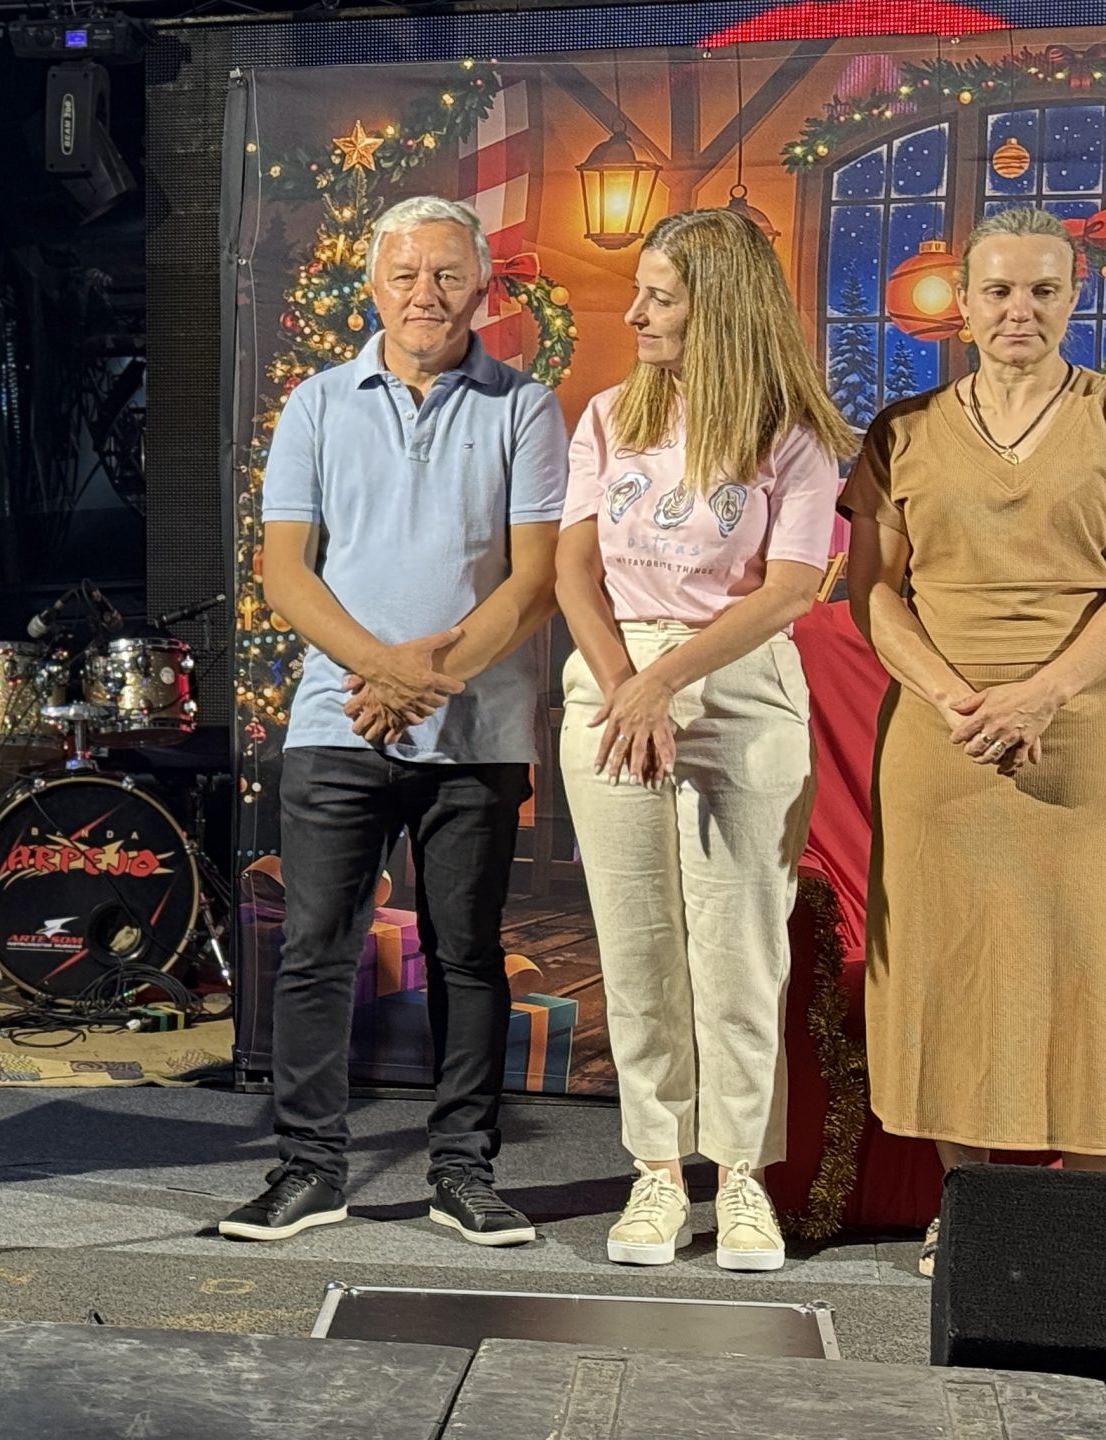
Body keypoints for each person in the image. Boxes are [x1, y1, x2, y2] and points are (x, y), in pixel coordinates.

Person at [222, 195, 566, 1248]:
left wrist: (431, 679)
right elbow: (285, 573)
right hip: (338, 723)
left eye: (448, 275)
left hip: (478, 736)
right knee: (316, 950)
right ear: (372, 285)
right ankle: (309, 1170)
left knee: (468, 955)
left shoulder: (525, 407)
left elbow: (535, 582)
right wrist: (382, 673)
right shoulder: (317, 404)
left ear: (482, 289)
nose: (426, 294)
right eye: (406, 274)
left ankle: (462, 1173)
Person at [554, 207, 854, 1271]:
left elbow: (789, 590)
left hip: (738, 683)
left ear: (718, 308)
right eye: (639, 293)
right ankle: (654, 1173)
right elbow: (572, 572)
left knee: (739, 949)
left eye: (660, 298)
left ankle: (740, 1179)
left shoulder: (792, 433)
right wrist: (623, 688)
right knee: (637, 943)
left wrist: (665, 682)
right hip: (614, 679)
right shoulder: (607, 417)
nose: (634, 314)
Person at [842, 205, 1106, 1279]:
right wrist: (957, 698)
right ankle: (972, 1210)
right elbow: (872, 589)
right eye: (997, 290)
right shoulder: (901, 430)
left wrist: (1042, 696)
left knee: (1087, 965)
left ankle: (1084, 1217)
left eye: (1042, 290)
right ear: (963, 305)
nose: (1018, 311)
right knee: (948, 965)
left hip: (1083, 736)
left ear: (1075, 298)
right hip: (940, 740)